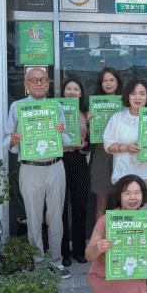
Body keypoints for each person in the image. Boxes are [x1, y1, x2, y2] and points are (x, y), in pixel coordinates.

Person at [5, 66, 72, 279]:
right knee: (33, 218)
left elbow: (67, 140)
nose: (39, 83)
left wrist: (62, 132)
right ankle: (38, 264)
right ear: (26, 84)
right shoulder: (17, 107)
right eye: (34, 80)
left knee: (56, 218)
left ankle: (56, 262)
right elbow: (6, 139)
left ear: (48, 83)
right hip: (30, 168)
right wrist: (13, 140)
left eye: (43, 80)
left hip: (55, 166)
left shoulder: (56, 107)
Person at [103, 78, 147, 214]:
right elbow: (108, 145)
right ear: (128, 96)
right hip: (125, 173)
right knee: (127, 215)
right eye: (133, 93)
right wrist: (125, 148)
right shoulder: (117, 118)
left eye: (142, 94)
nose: (138, 98)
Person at [60, 77, 89, 267]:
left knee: (80, 206)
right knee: (61, 208)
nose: (72, 92)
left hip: (79, 159)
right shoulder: (55, 110)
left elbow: (94, 139)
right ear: (63, 92)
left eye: (76, 89)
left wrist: (86, 143)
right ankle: (64, 253)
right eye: (68, 89)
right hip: (60, 159)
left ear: (81, 93)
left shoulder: (86, 114)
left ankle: (79, 251)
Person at [89, 67, 123, 221]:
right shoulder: (94, 104)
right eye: (105, 81)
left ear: (117, 82)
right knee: (101, 201)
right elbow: (88, 136)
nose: (108, 84)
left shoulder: (127, 102)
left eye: (111, 80)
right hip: (101, 154)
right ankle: (99, 234)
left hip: (122, 154)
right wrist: (89, 121)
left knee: (123, 200)